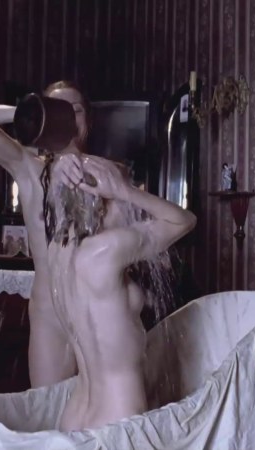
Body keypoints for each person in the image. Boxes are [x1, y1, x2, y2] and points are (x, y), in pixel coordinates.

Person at [46, 155, 196, 431]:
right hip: (118, 414)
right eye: (123, 199)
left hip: (74, 416)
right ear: (104, 199)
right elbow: (184, 221)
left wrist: (62, 169)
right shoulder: (108, 249)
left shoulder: (58, 248)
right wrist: (125, 191)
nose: (131, 209)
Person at [0, 80, 90, 387]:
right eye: (58, 110)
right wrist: (28, 112)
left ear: (88, 119)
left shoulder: (108, 174)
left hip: (97, 308)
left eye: (75, 110)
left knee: (103, 410)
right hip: (50, 311)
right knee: (48, 406)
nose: (68, 118)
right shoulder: (28, 168)